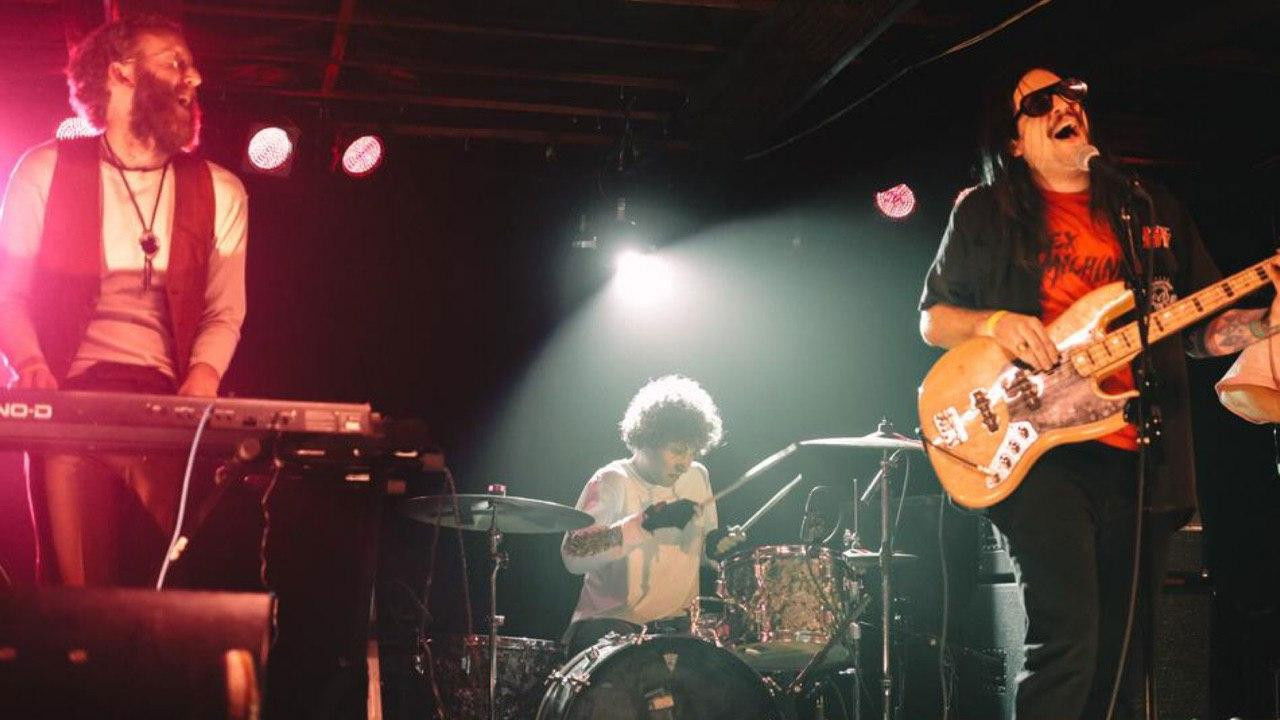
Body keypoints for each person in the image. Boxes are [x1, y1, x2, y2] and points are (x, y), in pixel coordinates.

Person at [918, 67, 1280, 719]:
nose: (1064, 105)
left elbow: (1199, 332)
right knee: (1069, 644)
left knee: (1124, 659)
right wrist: (996, 323)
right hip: (1040, 452)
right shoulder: (985, 211)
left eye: (1071, 95)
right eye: (1040, 102)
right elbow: (934, 319)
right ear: (1015, 141)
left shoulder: (1149, 208)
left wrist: (1262, 323)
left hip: (1144, 460)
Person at [0, 14, 248, 586]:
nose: (194, 78)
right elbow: (9, 292)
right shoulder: (43, 169)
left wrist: (203, 377)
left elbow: (223, 310)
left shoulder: (221, 190)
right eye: (175, 63)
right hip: (70, 399)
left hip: (165, 403)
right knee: (78, 594)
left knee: (175, 591)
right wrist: (30, 362)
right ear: (120, 74)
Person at [559, 374, 741, 656]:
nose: (685, 464)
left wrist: (715, 548)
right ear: (647, 438)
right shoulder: (612, 480)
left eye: (692, 452)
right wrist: (644, 524)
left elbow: (704, 552)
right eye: (677, 451)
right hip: (609, 628)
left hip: (677, 631)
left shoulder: (697, 476)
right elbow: (573, 555)